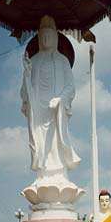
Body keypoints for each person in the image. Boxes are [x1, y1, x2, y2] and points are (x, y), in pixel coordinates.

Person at [21, 15, 80, 179]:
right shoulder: (34, 61)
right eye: (43, 36)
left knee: (56, 142)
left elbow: (71, 87)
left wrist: (60, 99)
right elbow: (25, 92)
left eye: (49, 36)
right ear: (39, 39)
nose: (46, 39)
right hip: (38, 109)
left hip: (56, 111)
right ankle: (42, 174)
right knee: (39, 143)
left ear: (55, 38)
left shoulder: (62, 61)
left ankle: (60, 174)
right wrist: (26, 73)